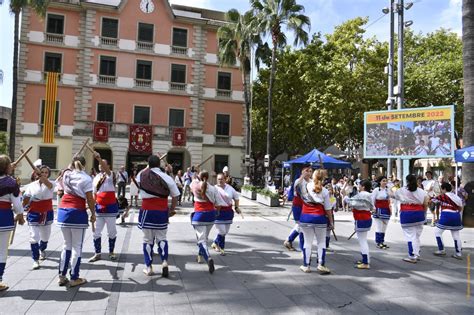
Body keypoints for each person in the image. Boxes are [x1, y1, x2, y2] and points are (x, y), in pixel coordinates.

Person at [136, 155, 180, 277]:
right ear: (159, 164)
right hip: (161, 211)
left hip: (147, 211)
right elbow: (175, 196)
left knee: (147, 240)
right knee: (162, 238)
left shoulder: (142, 175)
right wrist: (171, 209)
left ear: (148, 164)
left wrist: (146, 168)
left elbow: (135, 184)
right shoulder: (167, 177)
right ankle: (164, 261)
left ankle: (149, 267)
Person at [56, 156, 96, 287]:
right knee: (76, 246)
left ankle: (62, 276)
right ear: (84, 164)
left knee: (66, 245)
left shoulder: (66, 174)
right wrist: (93, 214)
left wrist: (72, 162)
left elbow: (68, 168)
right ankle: (74, 277)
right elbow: (90, 199)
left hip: (63, 211)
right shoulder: (86, 178)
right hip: (77, 211)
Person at [190, 170, 226, 273]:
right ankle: (200, 256)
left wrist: (195, 174)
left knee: (201, 240)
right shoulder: (213, 188)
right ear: (208, 177)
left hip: (199, 215)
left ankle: (208, 257)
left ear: (200, 177)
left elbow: (193, 181)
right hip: (211, 215)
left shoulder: (195, 185)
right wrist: (217, 212)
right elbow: (219, 204)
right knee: (204, 238)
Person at [299, 170, 334, 274]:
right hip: (320, 218)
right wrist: (331, 222)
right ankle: (321, 264)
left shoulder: (306, 186)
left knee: (307, 242)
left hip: (305, 217)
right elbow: (328, 208)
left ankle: (306, 265)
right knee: (321, 242)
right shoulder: (325, 191)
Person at [22, 165, 55, 269]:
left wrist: (42, 177)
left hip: (47, 212)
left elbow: (48, 184)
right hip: (34, 213)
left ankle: (42, 249)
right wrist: (20, 209)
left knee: (45, 237)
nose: (44, 174)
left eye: (46, 172)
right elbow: (25, 199)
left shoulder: (52, 184)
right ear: (37, 173)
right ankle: (35, 260)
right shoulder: (31, 185)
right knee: (34, 237)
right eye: (42, 172)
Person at [0, 155, 25, 291]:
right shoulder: (10, 182)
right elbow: (17, 204)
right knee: (2, 251)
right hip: (3, 218)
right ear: (7, 167)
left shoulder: (10, 181)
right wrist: (20, 216)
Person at [393, 174, 429, 263]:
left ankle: (412, 256)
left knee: (410, 236)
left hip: (407, 214)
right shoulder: (422, 191)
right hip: (419, 214)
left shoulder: (401, 190)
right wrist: (424, 214)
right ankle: (416, 253)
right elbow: (426, 203)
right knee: (416, 236)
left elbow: (393, 194)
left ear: (407, 181)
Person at [89, 156, 119, 262]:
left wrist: (99, 159)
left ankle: (111, 252)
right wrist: (92, 210)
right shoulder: (96, 177)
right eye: (99, 164)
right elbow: (94, 193)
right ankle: (97, 253)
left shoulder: (111, 175)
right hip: (99, 208)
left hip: (110, 208)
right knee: (96, 232)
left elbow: (107, 170)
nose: (100, 165)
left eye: (103, 163)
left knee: (111, 231)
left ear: (108, 166)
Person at [345, 180, 375, 269]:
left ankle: (365, 262)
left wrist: (345, 197)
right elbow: (372, 207)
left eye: (359, 185)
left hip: (361, 218)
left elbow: (351, 203)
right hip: (367, 217)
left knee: (362, 241)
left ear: (363, 186)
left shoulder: (361, 195)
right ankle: (366, 259)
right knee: (363, 239)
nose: (358, 187)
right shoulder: (370, 195)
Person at [431, 183, 464, 259]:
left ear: (444, 189)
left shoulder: (442, 196)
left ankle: (441, 250)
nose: (441, 191)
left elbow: (432, 201)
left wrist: (435, 196)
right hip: (456, 216)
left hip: (446, 216)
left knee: (437, 232)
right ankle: (458, 253)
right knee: (456, 236)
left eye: (442, 189)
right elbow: (460, 208)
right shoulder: (457, 197)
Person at [212, 173, 241, 255]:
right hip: (218, 212)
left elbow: (236, 198)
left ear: (225, 179)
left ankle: (215, 243)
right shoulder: (214, 189)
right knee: (222, 231)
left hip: (228, 212)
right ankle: (222, 248)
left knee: (225, 232)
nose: (220, 181)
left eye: (221, 179)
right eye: (218, 179)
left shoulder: (230, 188)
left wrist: (236, 207)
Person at [284, 167, 312, 251]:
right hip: (298, 206)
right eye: (307, 171)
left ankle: (289, 240)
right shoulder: (299, 181)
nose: (309, 173)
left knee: (302, 226)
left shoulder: (311, 182)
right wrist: (302, 176)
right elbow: (297, 185)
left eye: (310, 171)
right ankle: (302, 247)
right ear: (302, 172)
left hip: (307, 206)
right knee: (301, 226)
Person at [371, 176, 391, 249]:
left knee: (384, 227)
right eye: (383, 181)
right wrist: (373, 208)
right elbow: (372, 199)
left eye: (386, 181)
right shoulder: (376, 190)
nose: (385, 182)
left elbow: (390, 198)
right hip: (378, 209)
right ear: (380, 182)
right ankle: (378, 242)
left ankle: (382, 241)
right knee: (379, 226)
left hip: (386, 209)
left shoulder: (387, 190)